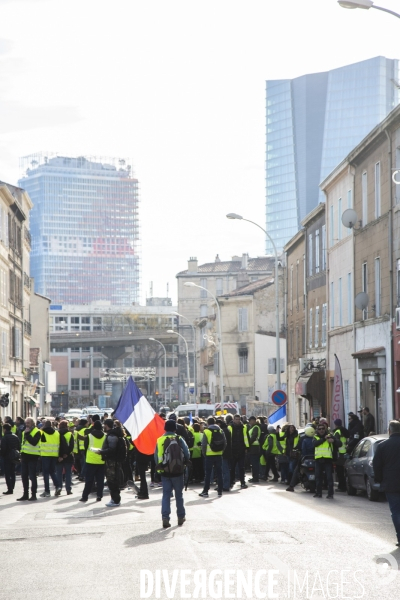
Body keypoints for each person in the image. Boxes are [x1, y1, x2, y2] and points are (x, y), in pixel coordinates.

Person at [155, 419, 189, 528]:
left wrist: (161, 467)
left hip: (165, 472)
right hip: (178, 471)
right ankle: (180, 517)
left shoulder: (160, 440)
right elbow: (187, 454)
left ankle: (165, 518)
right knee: (179, 495)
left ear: (165, 428)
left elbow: (156, 457)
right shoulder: (179, 439)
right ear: (175, 428)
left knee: (166, 495)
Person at [373, 420, 400, 546]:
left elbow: (376, 465)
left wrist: (379, 479)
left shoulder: (383, 446)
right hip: (391, 482)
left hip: (391, 483)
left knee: (396, 511)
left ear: (389, 431)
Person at [98, 418, 125, 507]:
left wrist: (101, 452)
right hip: (113, 461)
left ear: (107, 425)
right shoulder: (113, 434)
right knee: (113, 480)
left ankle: (115, 500)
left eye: (104, 425)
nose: (103, 427)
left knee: (111, 481)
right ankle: (115, 499)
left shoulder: (111, 436)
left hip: (111, 462)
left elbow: (112, 449)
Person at [79, 421, 106, 503]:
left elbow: (86, 446)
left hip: (90, 460)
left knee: (89, 480)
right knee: (100, 480)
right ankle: (99, 496)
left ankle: (85, 496)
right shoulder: (105, 436)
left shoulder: (89, 436)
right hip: (101, 460)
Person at [313, 422, 341, 499]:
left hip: (327, 460)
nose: (321, 430)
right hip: (318, 460)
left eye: (323, 429)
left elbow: (340, 443)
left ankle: (330, 494)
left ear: (325, 429)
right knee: (318, 477)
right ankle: (318, 493)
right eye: (319, 429)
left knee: (329, 478)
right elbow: (315, 444)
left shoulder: (330, 436)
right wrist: (323, 439)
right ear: (317, 430)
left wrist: (333, 441)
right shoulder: (316, 437)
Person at [199, 417, 226, 497]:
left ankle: (205, 491)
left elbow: (203, 444)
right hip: (219, 454)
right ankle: (220, 490)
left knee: (208, 474)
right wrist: (221, 451)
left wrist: (204, 454)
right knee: (219, 473)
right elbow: (225, 443)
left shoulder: (207, 431)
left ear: (208, 423)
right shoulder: (220, 430)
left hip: (209, 455)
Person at [18, 417, 41, 501]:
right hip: (25, 456)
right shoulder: (25, 431)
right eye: (26, 423)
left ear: (32, 423)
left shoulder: (37, 432)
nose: (26, 424)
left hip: (33, 457)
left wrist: (27, 434)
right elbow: (23, 444)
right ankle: (25, 494)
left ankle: (33, 494)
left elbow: (34, 442)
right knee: (24, 476)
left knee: (32, 476)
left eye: (28, 423)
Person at [286, 426, 315, 492]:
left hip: (305, 458)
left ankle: (291, 486)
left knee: (297, 470)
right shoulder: (315, 439)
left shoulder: (303, 439)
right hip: (315, 458)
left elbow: (301, 448)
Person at [40, 419, 61, 497]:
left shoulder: (42, 432)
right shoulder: (56, 433)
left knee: (45, 473)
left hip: (45, 454)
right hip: (54, 454)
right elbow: (59, 443)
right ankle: (58, 486)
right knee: (52, 471)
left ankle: (47, 491)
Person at [228, 414, 249, 489]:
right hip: (232, 450)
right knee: (232, 468)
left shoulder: (244, 427)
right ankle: (231, 482)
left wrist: (247, 447)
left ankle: (242, 483)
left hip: (241, 450)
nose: (237, 421)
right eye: (236, 419)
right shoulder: (230, 427)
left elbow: (247, 437)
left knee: (241, 468)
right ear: (233, 420)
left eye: (238, 419)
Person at [0, 423, 20, 494]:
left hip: (7, 457)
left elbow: (3, 449)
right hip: (14, 457)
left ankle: (10, 488)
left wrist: (2, 455)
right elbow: (19, 447)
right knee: (13, 472)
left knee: (7, 473)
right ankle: (12, 487)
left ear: (4, 429)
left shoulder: (4, 438)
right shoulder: (15, 436)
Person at [56, 420, 74, 495]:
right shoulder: (70, 434)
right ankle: (68, 489)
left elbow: (56, 446)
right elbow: (71, 446)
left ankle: (59, 487)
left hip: (58, 457)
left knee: (59, 473)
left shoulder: (56, 434)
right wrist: (66, 454)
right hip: (68, 456)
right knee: (68, 473)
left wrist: (60, 456)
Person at [333, 419, 349, 492]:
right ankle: (345, 485)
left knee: (339, 471)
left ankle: (341, 486)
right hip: (345, 452)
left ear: (336, 424)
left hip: (339, 453)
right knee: (344, 471)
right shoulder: (345, 431)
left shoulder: (337, 432)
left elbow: (336, 442)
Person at [247, 416, 261, 483]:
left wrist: (248, 444)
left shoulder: (255, 427)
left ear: (253, 421)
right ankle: (254, 477)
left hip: (254, 448)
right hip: (253, 448)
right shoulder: (253, 427)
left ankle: (255, 478)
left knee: (255, 464)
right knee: (253, 464)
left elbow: (253, 437)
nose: (249, 422)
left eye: (250, 421)